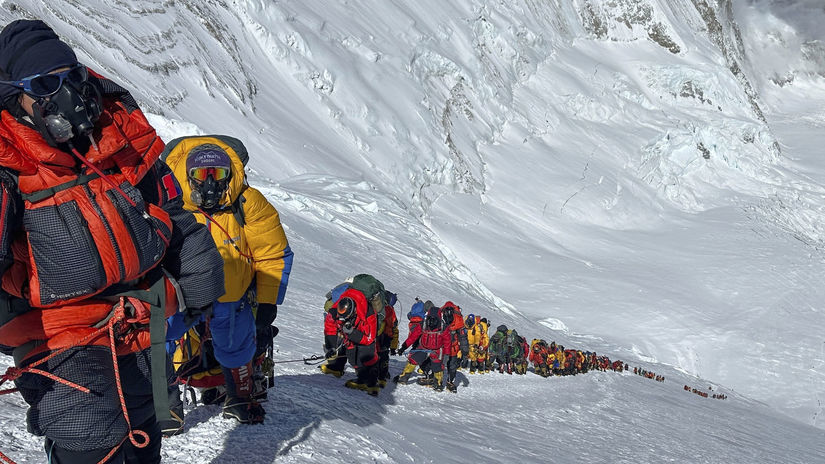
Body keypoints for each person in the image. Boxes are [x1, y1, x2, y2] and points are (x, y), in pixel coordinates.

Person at [0, 20, 224, 463]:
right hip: (56, 330)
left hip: (140, 312)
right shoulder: (8, 167)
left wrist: (199, 280)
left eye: (72, 77)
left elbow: (171, 212)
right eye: (46, 85)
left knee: (146, 421)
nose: (67, 94)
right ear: (13, 98)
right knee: (89, 432)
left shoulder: (116, 138)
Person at [163, 136, 293, 425]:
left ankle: (239, 398)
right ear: (187, 176)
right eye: (201, 175)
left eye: (218, 175)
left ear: (231, 175)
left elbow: (272, 254)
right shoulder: (169, 202)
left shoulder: (248, 203)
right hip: (182, 296)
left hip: (230, 297)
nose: (210, 183)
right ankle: (164, 408)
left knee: (237, 344)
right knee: (157, 339)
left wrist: (268, 300)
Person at [330, 287, 380, 396]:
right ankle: (361, 377)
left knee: (367, 357)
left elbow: (369, 339)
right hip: (351, 338)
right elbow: (336, 325)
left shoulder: (369, 314)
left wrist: (352, 333)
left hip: (365, 338)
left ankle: (371, 384)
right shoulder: (341, 311)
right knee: (353, 357)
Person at [393, 305, 450, 392]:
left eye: (434, 319)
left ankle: (438, 383)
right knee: (413, 360)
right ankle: (404, 377)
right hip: (423, 348)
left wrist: (446, 355)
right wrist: (404, 347)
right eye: (430, 319)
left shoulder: (443, 327)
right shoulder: (423, 324)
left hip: (437, 350)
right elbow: (413, 337)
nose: (431, 322)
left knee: (438, 366)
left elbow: (447, 342)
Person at [441, 302, 468, 393]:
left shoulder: (458, 321)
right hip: (443, 347)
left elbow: (463, 337)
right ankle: (439, 379)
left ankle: (450, 381)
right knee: (440, 364)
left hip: (451, 347)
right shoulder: (440, 317)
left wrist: (465, 351)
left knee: (451, 366)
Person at [377, 290, 399, 387]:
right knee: (384, 356)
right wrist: (393, 347)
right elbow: (395, 330)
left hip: (377, 336)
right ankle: (383, 375)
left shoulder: (378, 308)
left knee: (375, 354)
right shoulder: (392, 311)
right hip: (387, 338)